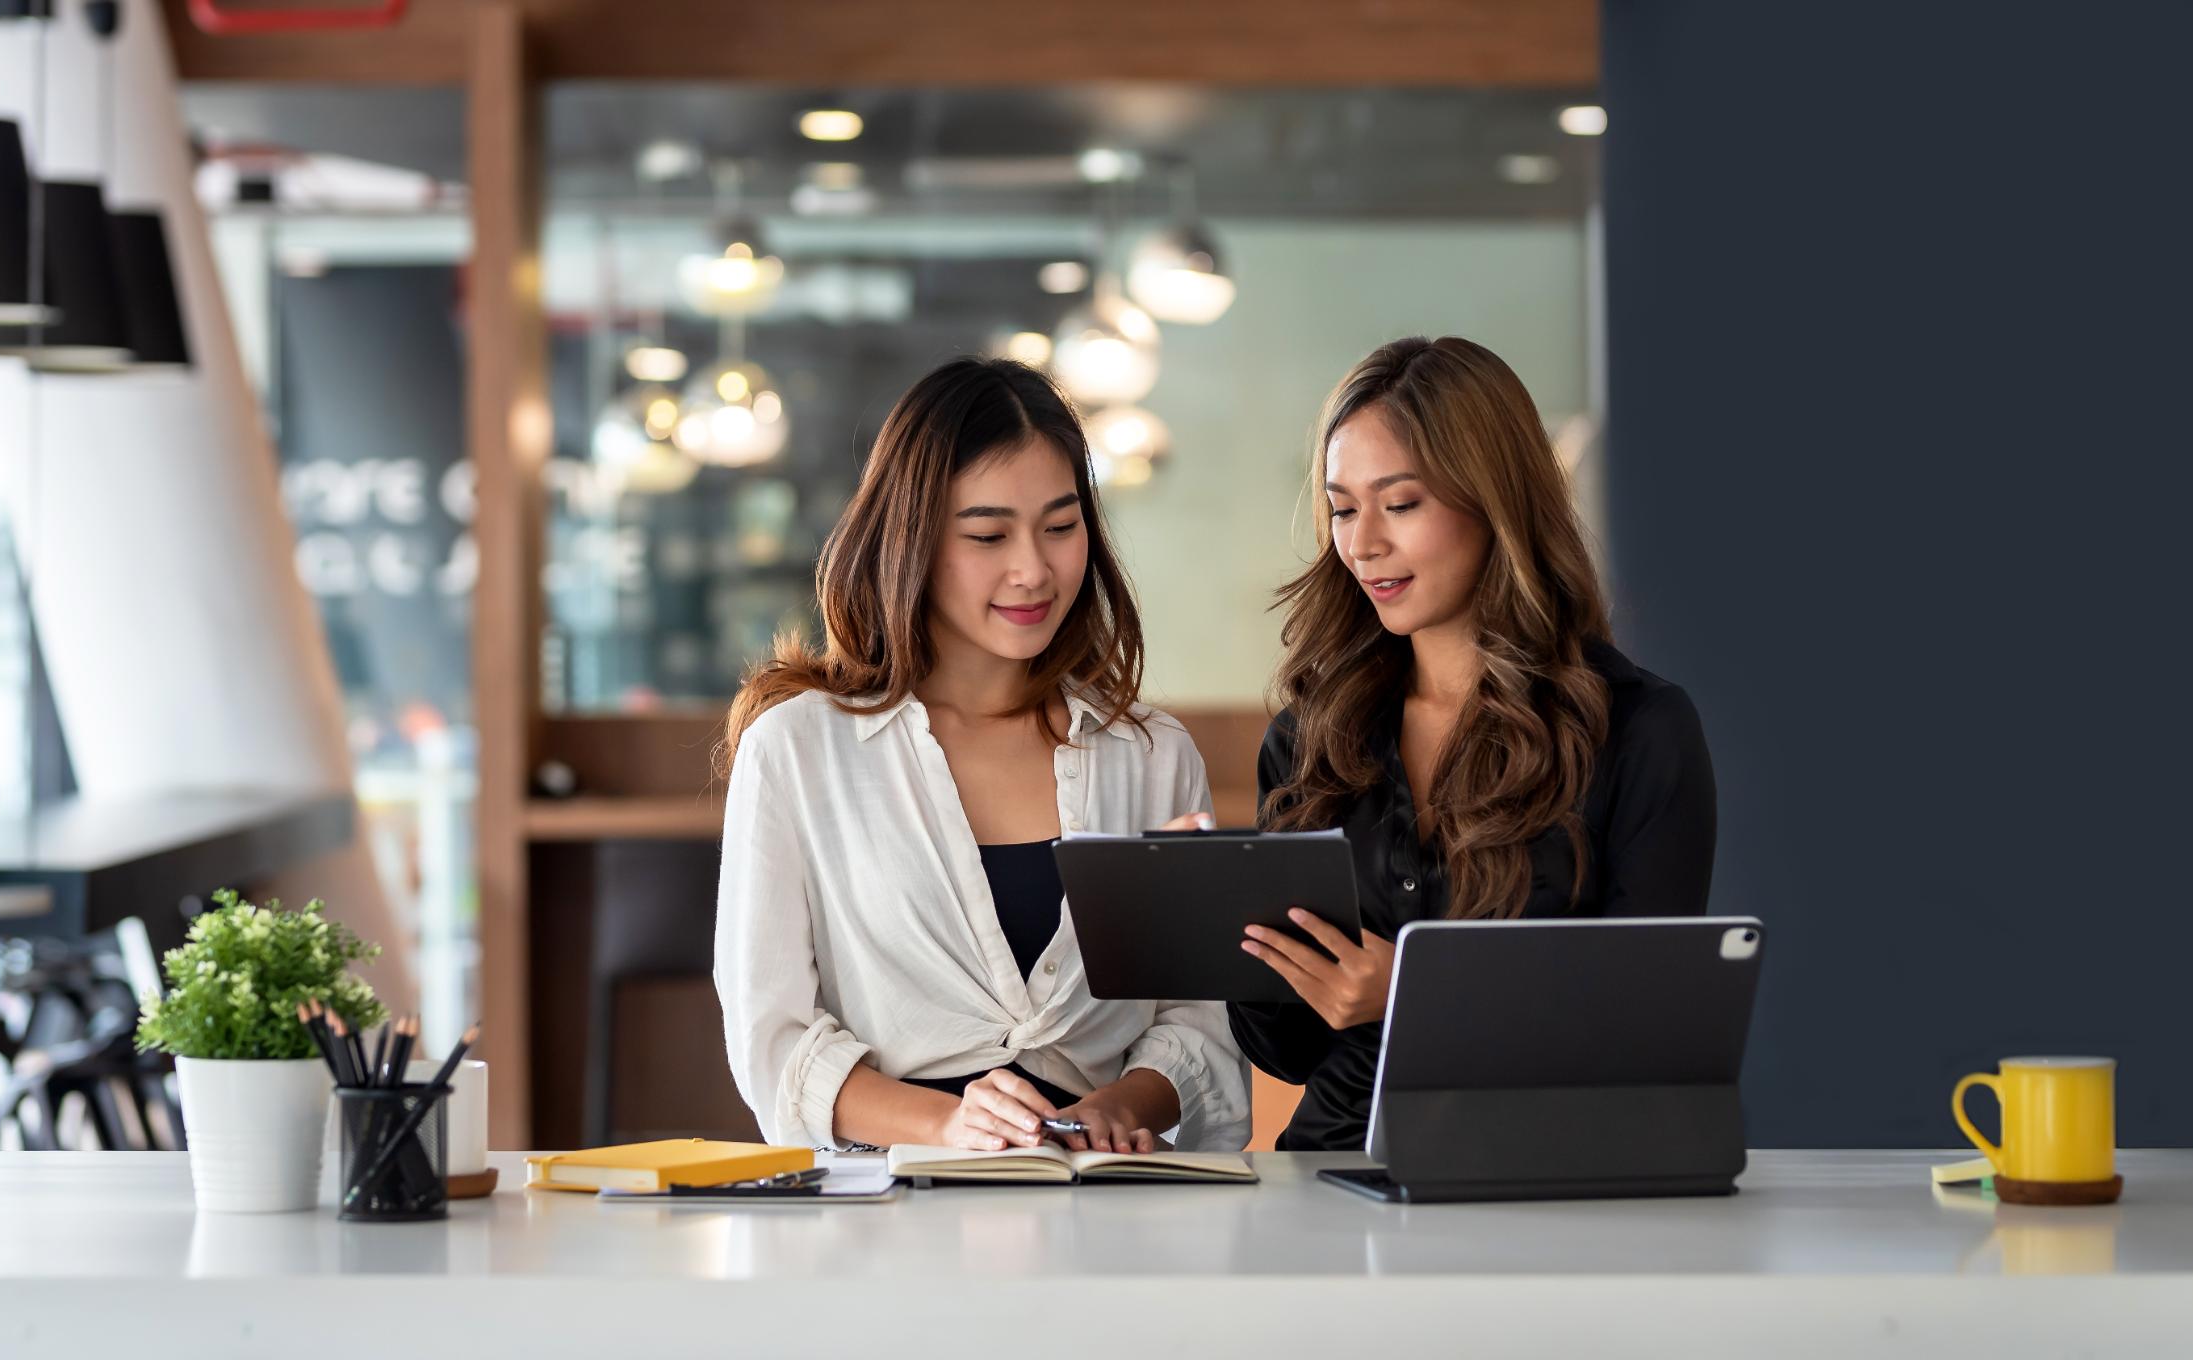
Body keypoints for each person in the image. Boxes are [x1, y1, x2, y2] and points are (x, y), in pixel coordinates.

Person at [714, 357, 1249, 1155]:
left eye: (1061, 527)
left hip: (1102, 1206)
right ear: (913, 539)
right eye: (988, 534)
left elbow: (1199, 1029)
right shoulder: (798, 750)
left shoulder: (1150, 755)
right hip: (887, 1218)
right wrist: (950, 1124)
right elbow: (774, 1042)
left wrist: (1114, 1108)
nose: (1033, 569)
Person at [1233, 336, 1717, 1151]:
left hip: (1547, 1187)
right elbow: (1286, 1052)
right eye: (1344, 508)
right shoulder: (1310, 738)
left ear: (1495, 501)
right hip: (1331, 1185)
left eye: (1403, 503)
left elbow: (1648, 1029)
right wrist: (1231, 917)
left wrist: (1414, 991)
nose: (1363, 544)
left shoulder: (1639, 731)